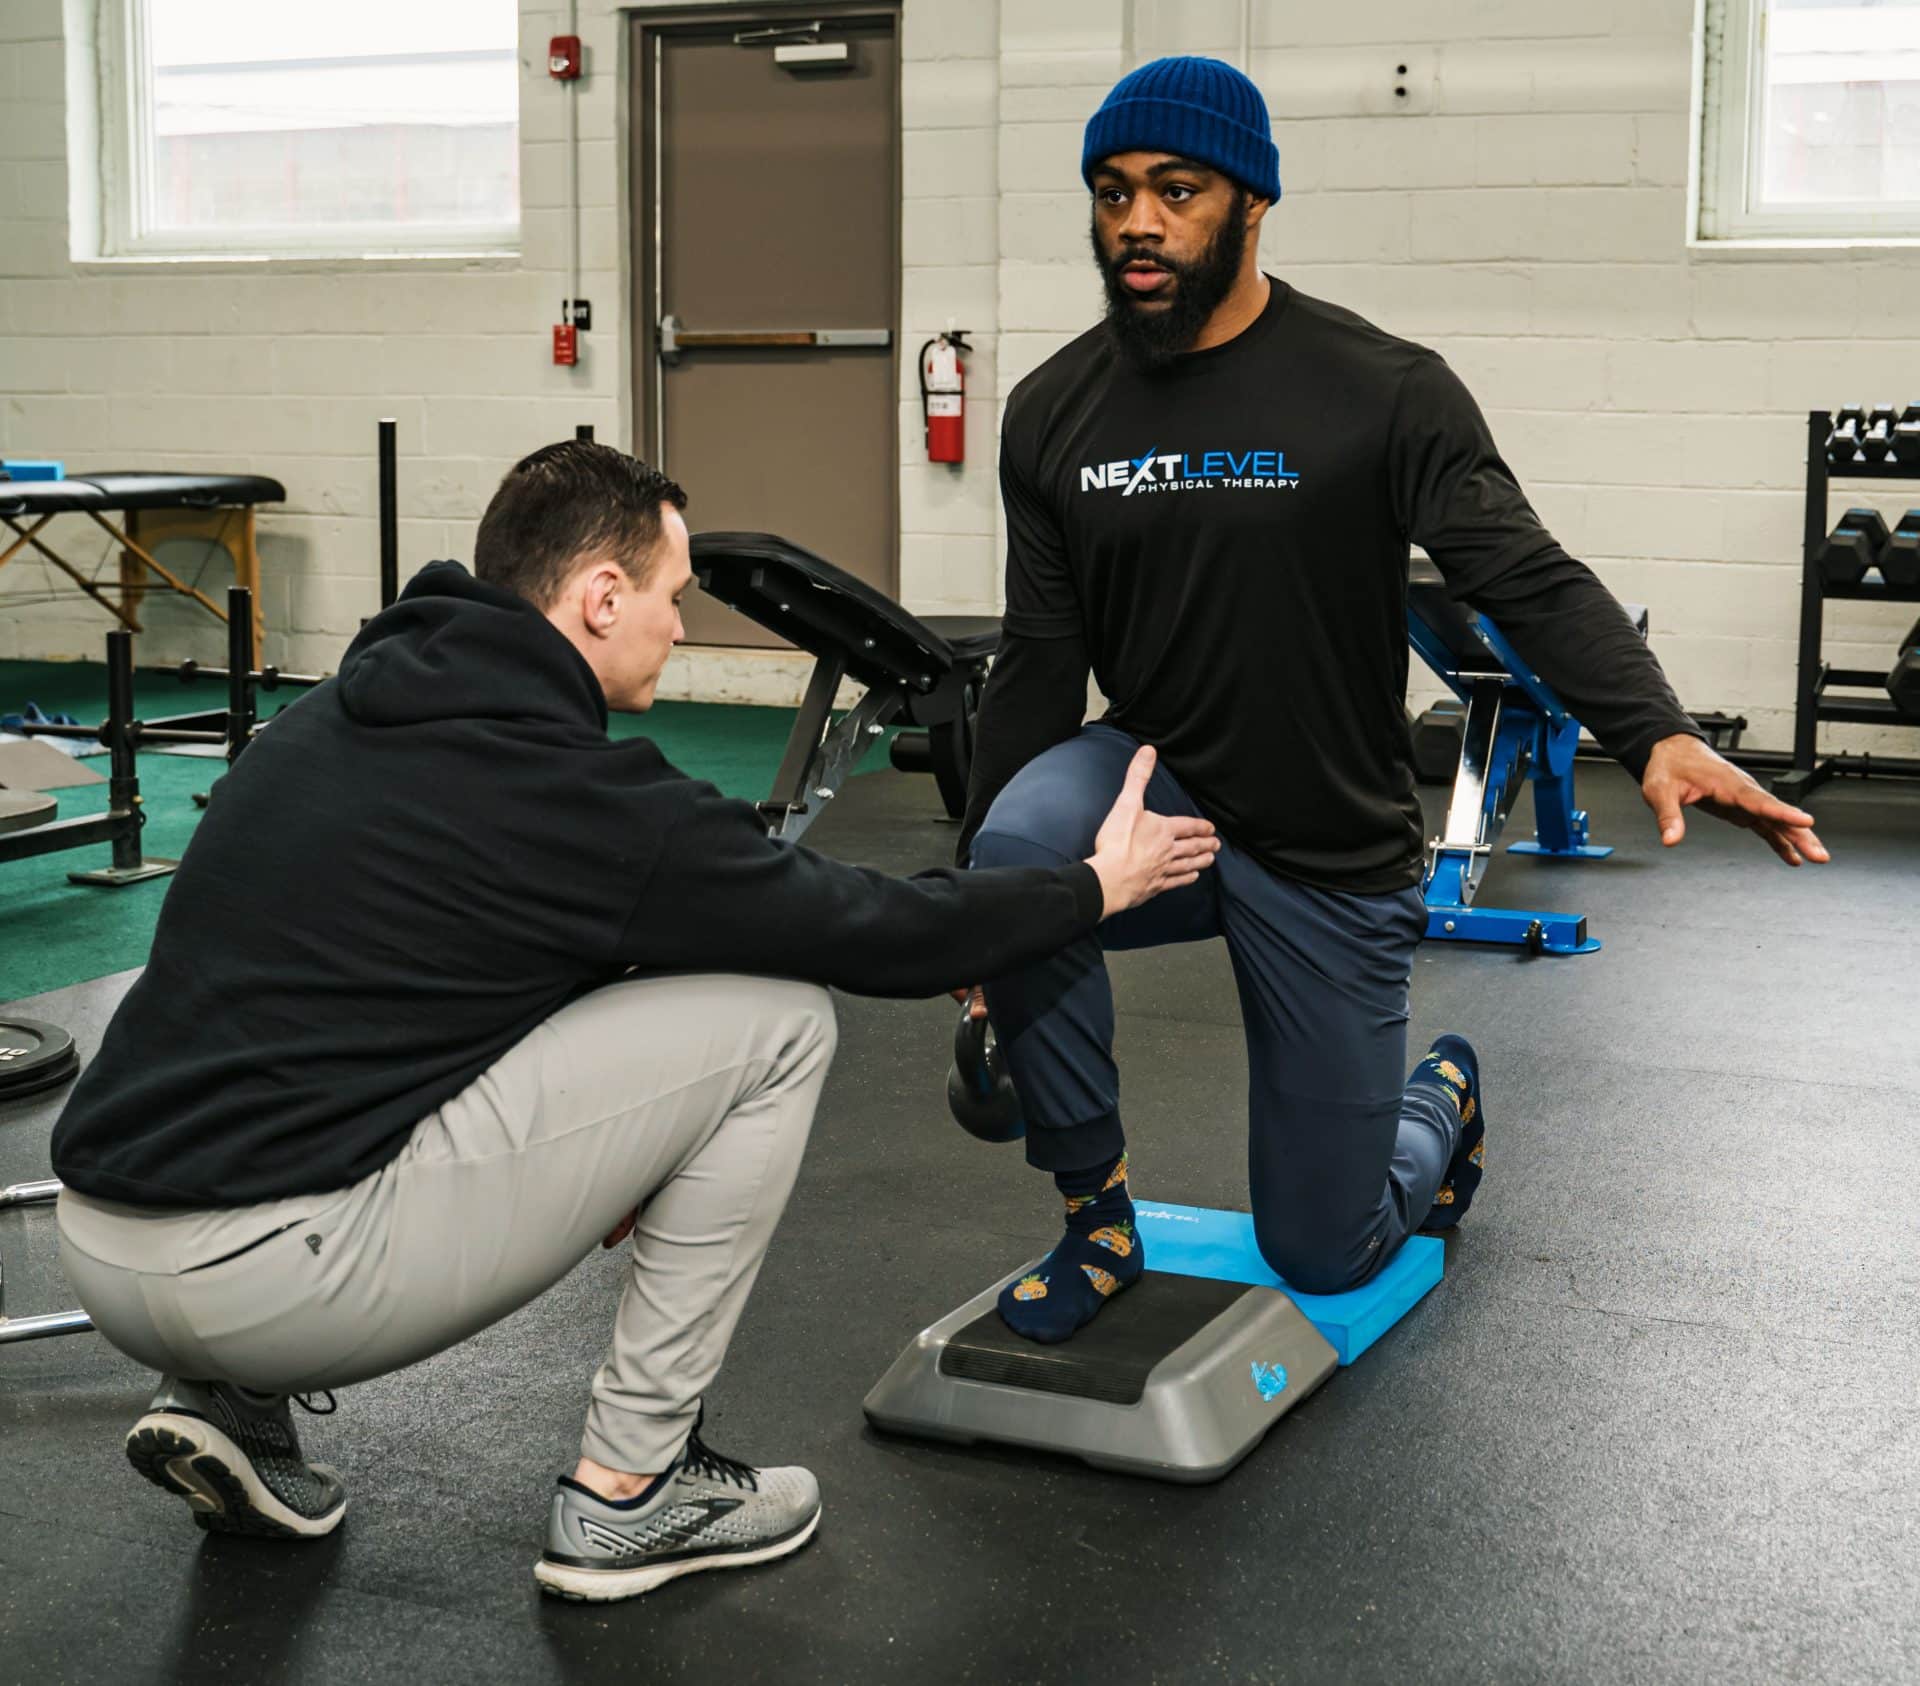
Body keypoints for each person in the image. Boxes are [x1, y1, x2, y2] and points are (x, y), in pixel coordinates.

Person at [49, 440, 1220, 1601]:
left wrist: (618, 1148)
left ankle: (226, 1407)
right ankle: (634, 1494)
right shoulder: (583, 798)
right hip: (272, 1278)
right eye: (670, 598)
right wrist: (1093, 888)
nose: (679, 625)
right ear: (600, 598)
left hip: (106, 1242)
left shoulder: (325, 721)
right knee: (777, 1022)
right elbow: (878, 934)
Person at [954, 56, 1830, 1347]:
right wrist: (974, 919)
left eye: (1174, 191)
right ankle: (1098, 1214)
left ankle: (1441, 1102)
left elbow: (1516, 568)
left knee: (1326, 1242)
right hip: (1162, 794)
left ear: (1252, 203)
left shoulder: (1378, 389)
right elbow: (1038, 659)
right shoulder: (1053, 413)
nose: (1136, 221)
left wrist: (1654, 726)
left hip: (1326, 834)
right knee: (1023, 852)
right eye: (1112, 192)